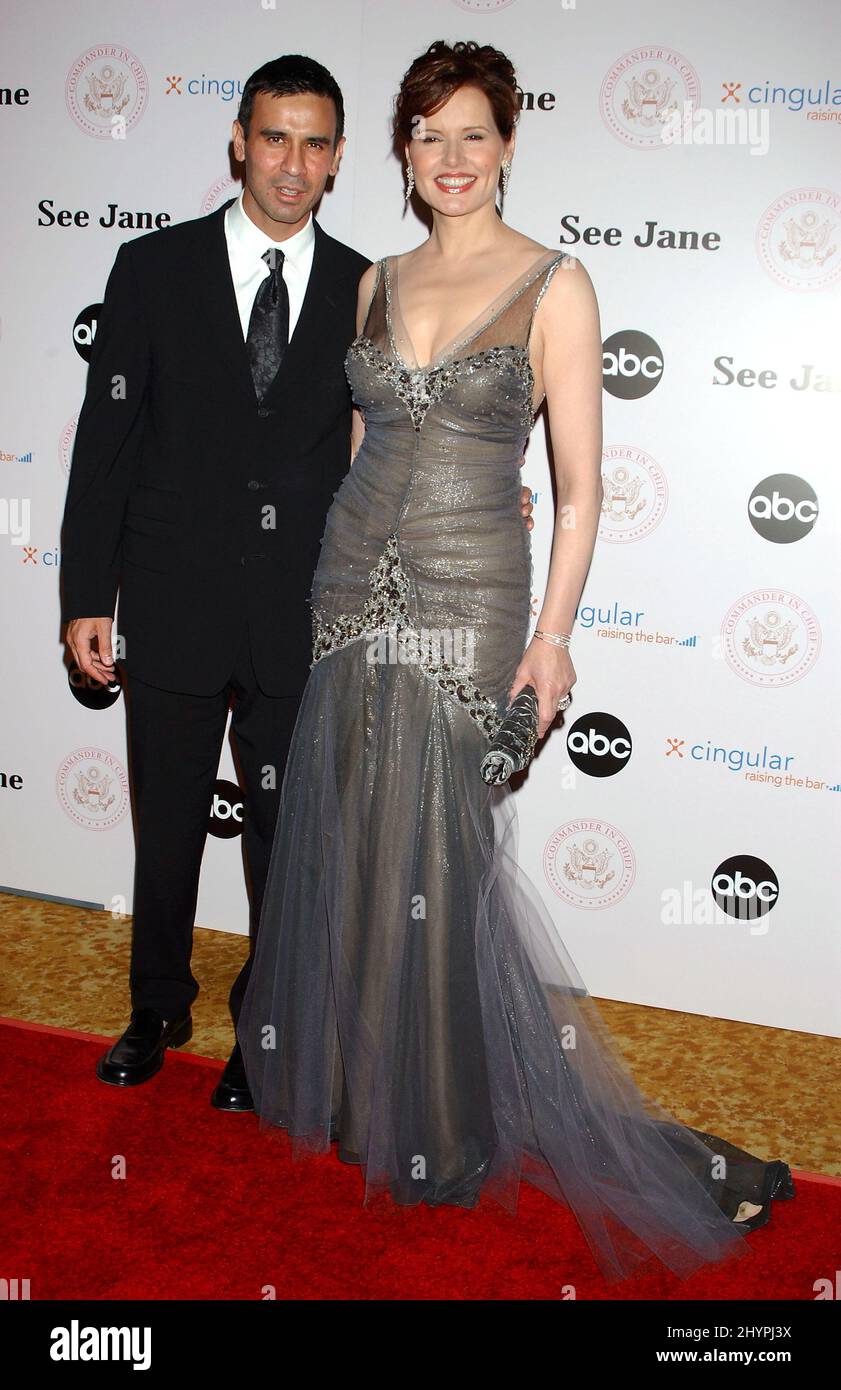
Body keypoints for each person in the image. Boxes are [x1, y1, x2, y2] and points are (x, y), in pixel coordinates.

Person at [236, 40, 794, 1284]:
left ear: (507, 144)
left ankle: (439, 1120)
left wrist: (550, 639)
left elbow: (581, 489)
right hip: (349, 585)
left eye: (473, 134)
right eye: (428, 135)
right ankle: (367, 1088)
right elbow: (361, 436)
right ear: (402, 150)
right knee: (359, 845)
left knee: (440, 855)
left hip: (471, 593)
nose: (450, 158)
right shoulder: (374, 279)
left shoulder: (556, 282)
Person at [60, 48, 535, 1108]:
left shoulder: (368, 288)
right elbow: (108, 442)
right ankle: (156, 1006)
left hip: (306, 608)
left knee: (287, 833)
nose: (291, 161)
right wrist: (88, 595)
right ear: (239, 142)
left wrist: (491, 486)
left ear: (336, 162)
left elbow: (393, 437)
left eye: (316, 143)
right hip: (172, 598)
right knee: (169, 816)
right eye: (274, 137)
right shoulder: (152, 270)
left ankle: (263, 1030)